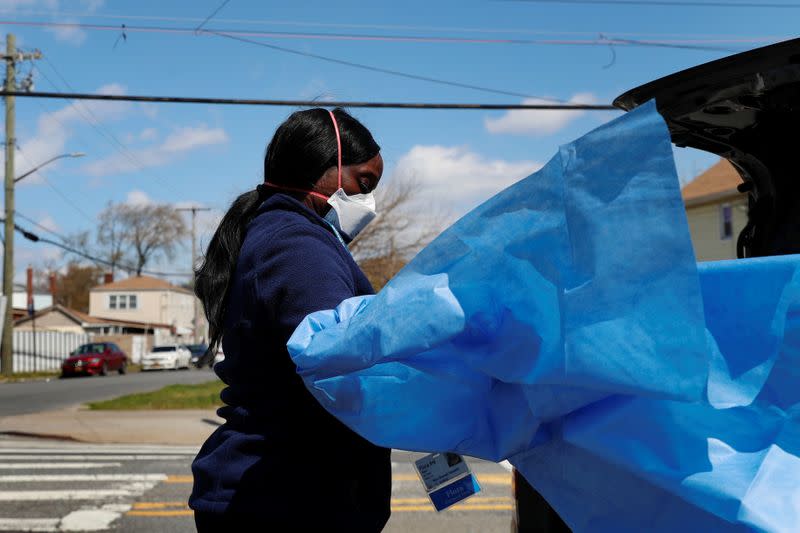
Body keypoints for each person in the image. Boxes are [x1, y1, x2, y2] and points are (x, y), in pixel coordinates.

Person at [189, 108, 392, 531]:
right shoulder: (297, 244)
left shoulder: (285, 233)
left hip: (278, 491)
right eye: (364, 183)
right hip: (286, 498)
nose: (368, 201)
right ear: (322, 173)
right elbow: (340, 358)